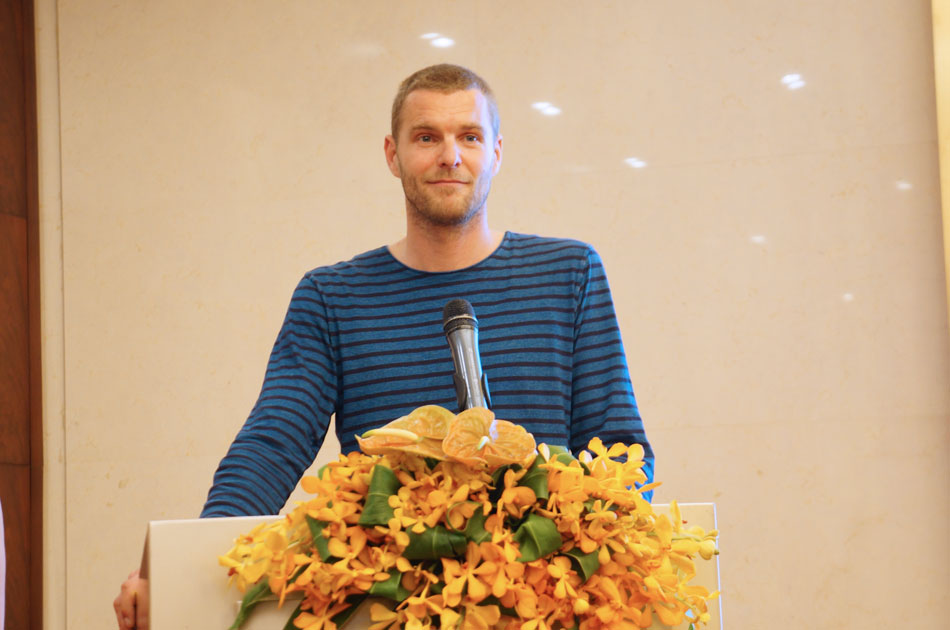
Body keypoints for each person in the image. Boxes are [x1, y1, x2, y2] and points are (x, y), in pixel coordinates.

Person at [114, 63, 653, 629]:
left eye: (468, 136)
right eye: (427, 137)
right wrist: (182, 570)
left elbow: (618, 453)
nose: (450, 156)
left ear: (496, 152)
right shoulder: (332, 296)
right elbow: (271, 447)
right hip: (388, 606)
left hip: (542, 603)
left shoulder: (568, 272)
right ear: (393, 155)